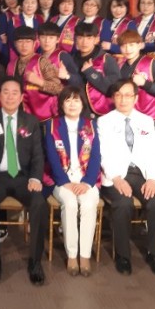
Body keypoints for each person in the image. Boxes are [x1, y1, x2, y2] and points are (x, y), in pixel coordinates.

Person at [0, 76, 48, 286]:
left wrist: (35, 178)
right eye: (5, 92)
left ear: (22, 97)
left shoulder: (31, 121)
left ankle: (35, 261)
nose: (10, 97)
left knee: (39, 203)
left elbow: (38, 155)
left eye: (15, 92)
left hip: (23, 177)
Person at [98, 78, 155, 277]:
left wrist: (152, 179)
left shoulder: (146, 121)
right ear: (113, 98)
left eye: (128, 95)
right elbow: (103, 153)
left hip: (141, 174)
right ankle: (123, 255)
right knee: (123, 203)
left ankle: (154, 254)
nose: (123, 99)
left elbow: (154, 153)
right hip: (115, 174)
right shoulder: (104, 121)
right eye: (118, 95)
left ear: (136, 98)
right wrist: (116, 178)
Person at [44, 85, 101, 276]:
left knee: (88, 205)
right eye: (67, 100)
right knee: (69, 204)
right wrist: (64, 181)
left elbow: (96, 157)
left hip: (86, 179)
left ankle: (84, 255)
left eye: (76, 100)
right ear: (61, 104)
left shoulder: (91, 125)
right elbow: (52, 157)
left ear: (82, 103)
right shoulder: (52, 125)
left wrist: (87, 182)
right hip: (62, 180)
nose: (72, 104)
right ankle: (71, 254)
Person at [8, 26, 61, 122]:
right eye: (20, 42)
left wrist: (39, 82)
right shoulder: (11, 65)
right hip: (20, 117)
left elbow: (58, 88)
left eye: (28, 41)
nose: (24, 45)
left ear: (35, 43)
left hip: (44, 117)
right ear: (15, 44)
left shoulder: (42, 62)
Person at [65, 22, 119, 116]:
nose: (84, 42)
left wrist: (90, 72)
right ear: (75, 39)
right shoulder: (71, 59)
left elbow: (114, 89)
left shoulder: (106, 59)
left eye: (89, 38)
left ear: (96, 39)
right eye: (80, 38)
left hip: (100, 112)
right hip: (74, 110)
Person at [116, 29, 155, 120]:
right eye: (123, 46)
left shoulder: (152, 63)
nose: (128, 49)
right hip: (127, 117)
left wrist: (145, 83)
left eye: (131, 45)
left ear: (140, 45)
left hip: (151, 117)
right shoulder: (119, 65)